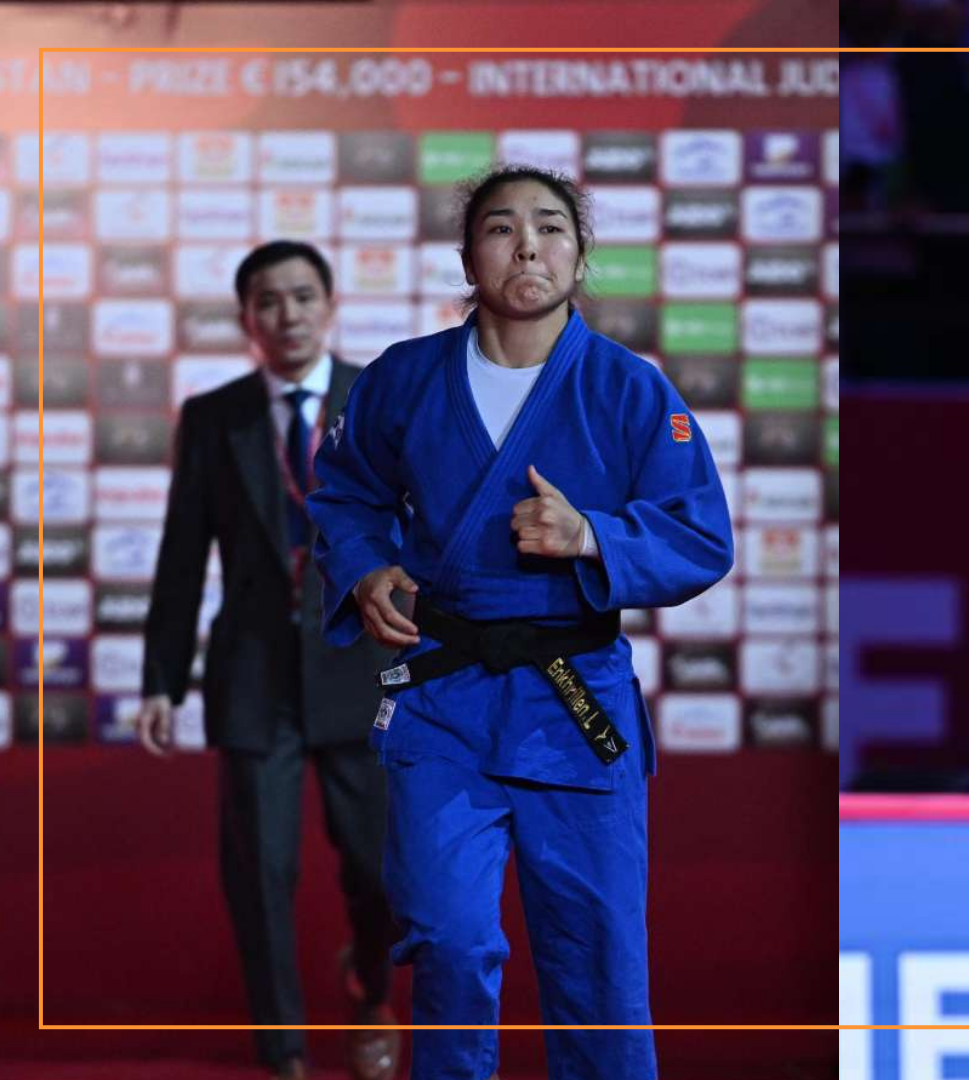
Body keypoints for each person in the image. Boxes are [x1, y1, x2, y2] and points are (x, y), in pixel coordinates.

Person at [306, 166, 733, 1080]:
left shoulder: (629, 390)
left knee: (599, 967)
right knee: (449, 941)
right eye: (501, 228)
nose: (527, 245)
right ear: (469, 259)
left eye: (550, 227)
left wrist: (592, 535)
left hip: (574, 705)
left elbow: (701, 535)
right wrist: (366, 566)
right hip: (444, 700)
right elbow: (343, 493)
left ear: (579, 256)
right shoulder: (403, 379)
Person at [136, 240, 401, 1080]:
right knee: (261, 874)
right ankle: (282, 1051)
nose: (289, 315)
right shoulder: (214, 417)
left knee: (381, 871)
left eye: (303, 296)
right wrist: (161, 681)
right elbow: (183, 557)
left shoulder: (381, 399)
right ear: (246, 318)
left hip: (362, 668)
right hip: (254, 676)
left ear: (331, 305)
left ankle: (370, 989)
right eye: (269, 302)